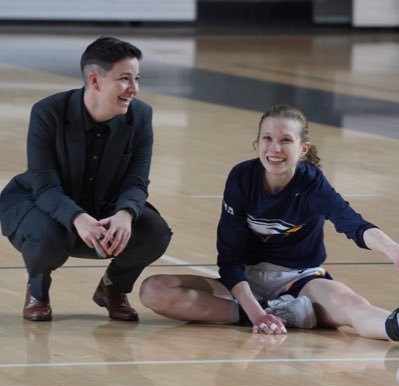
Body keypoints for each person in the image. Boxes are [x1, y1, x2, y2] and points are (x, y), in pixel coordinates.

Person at [139, 104, 399, 341]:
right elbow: (229, 259)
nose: (275, 149)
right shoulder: (242, 178)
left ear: (303, 149)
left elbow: (352, 223)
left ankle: (394, 325)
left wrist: (392, 249)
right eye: (268, 139)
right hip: (245, 282)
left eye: (286, 140)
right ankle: (284, 315)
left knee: (354, 306)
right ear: (257, 143)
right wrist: (255, 314)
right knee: (154, 290)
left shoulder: (312, 184)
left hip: (301, 282)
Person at [0, 37, 172, 322]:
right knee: (47, 236)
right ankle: (38, 291)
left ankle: (112, 289)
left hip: (104, 204)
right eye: (124, 79)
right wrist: (78, 218)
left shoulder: (141, 116)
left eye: (137, 78)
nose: (134, 89)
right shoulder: (48, 112)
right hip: (43, 204)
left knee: (155, 233)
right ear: (95, 80)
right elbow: (43, 185)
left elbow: (137, 179)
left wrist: (125, 214)